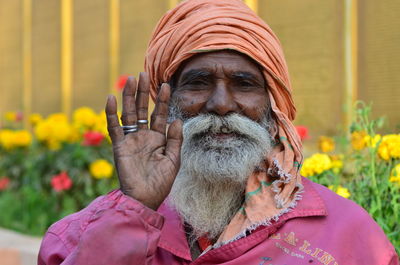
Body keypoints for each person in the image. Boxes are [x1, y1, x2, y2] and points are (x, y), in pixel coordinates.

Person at [38, 0, 399, 264]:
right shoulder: (82, 235)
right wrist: (135, 210)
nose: (221, 104)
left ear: (274, 105)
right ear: (168, 101)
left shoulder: (349, 237)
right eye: (198, 83)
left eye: (244, 84)